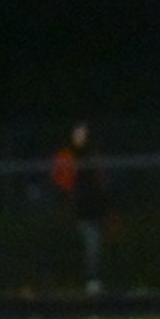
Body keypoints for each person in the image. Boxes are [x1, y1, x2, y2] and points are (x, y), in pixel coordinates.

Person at [51, 120, 111, 295]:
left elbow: (102, 180)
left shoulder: (94, 154)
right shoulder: (65, 155)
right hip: (71, 207)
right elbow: (59, 181)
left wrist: (103, 203)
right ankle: (67, 281)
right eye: (78, 132)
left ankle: (92, 280)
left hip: (90, 208)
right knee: (69, 245)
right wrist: (64, 202)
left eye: (84, 132)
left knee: (92, 243)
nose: (81, 136)